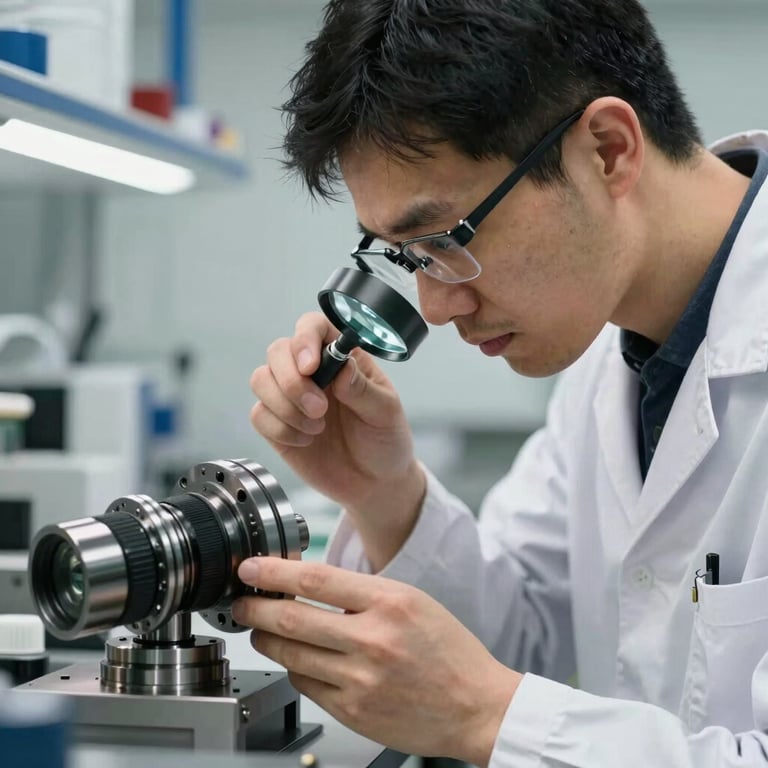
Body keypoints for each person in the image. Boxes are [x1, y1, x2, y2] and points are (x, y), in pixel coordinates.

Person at [232, 1, 768, 765]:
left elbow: (491, 697)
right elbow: (517, 643)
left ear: (608, 151)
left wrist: (485, 717)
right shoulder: (603, 355)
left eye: (446, 240)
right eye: (407, 258)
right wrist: (386, 495)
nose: (438, 307)